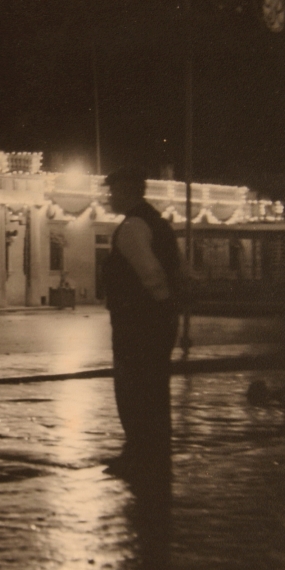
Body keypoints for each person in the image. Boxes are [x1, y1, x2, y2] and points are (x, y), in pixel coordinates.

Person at [101, 166, 182, 481]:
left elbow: (151, 273)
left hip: (137, 321)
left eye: (113, 191)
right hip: (156, 319)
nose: (110, 197)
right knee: (154, 389)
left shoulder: (133, 226)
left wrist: (160, 305)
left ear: (128, 192)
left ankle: (139, 454)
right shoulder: (158, 223)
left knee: (134, 389)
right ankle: (152, 455)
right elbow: (178, 268)